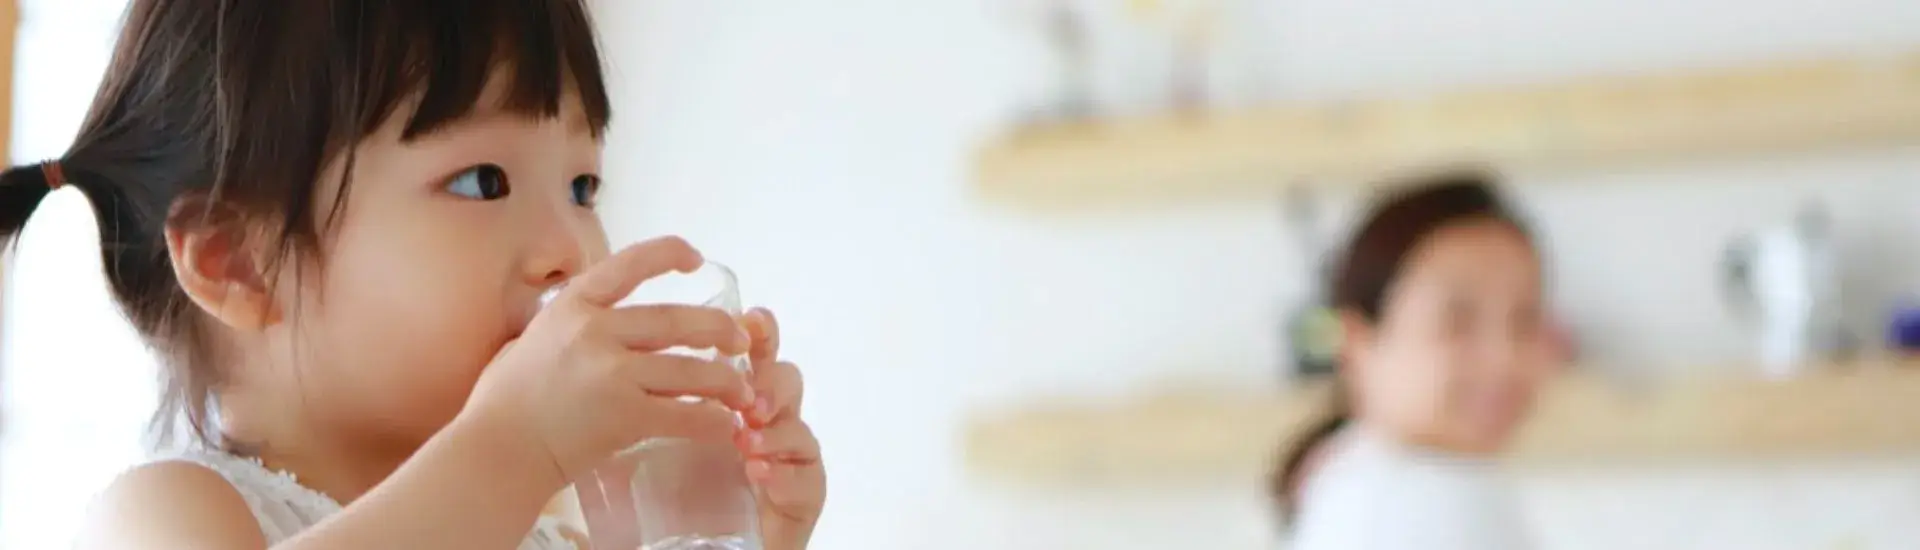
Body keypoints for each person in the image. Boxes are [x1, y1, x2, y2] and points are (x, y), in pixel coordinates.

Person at [0, 2, 825, 549]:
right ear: (237, 263)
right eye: (482, 181)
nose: (571, 249)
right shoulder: (169, 514)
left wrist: (743, 531)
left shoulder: (549, 531)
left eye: (583, 186)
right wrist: (515, 447)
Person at [1269, 172, 1560, 550]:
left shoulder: (1368, 480)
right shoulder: (1418, 498)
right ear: (1358, 342)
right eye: (1458, 323)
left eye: (1525, 320)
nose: (1504, 359)